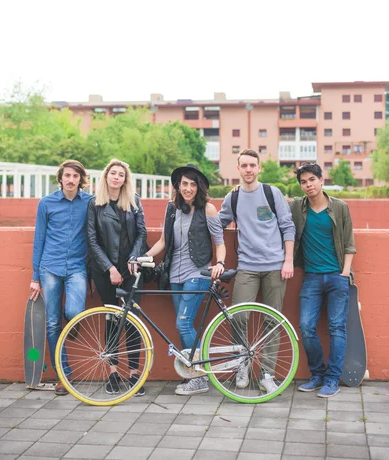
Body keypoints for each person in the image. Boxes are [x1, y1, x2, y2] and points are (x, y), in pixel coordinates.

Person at [219, 149, 296, 393]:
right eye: (244, 165)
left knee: (271, 321)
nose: (249, 169)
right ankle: (242, 365)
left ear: (259, 167)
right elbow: (215, 223)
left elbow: (287, 226)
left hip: (275, 266)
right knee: (238, 317)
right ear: (238, 169)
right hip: (247, 267)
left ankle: (267, 374)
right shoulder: (232, 198)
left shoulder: (272, 193)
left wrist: (288, 261)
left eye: (253, 165)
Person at [147, 163, 226, 396]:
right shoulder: (171, 209)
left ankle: (200, 377)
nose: (188, 188)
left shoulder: (208, 209)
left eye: (193, 184)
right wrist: (143, 256)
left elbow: (219, 242)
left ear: (198, 187)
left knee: (183, 323)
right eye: (184, 184)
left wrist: (220, 264)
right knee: (184, 326)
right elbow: (163, 241)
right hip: (174, 275)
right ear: (178, 186)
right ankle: (192, 373)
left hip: (198, 273)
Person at [290, 162, 356, 398]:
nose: (308, 185)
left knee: (337, 328)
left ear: (321, 180)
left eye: (311, 180)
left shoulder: (340, 207)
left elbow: (349, 242)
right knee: (306, 327)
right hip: (312, 277)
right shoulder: (297, 207)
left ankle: (332, 379)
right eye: (303, 182)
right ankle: (317, 375)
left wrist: (344, 272)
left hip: (337, 276)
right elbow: (271, 208)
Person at [30, 160, 92, 395]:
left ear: (80, 180)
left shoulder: (89, 202)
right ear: (60, 178)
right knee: (53, 322)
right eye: (67, 175)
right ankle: (62, 375)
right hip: (50, 268)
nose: (70, 180)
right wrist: (35, 276)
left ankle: (73, 325)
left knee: (74, 313)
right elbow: (39, 240)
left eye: (75, 176)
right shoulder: (46, 203)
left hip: (77, 266)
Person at [87, 158, 148, 396]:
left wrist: (133, 259)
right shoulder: (95, 204)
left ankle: (134, 373)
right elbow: (91, 240)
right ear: (106, 176)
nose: (117, 177)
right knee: (112, 319)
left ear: (125, 179)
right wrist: (109, 268)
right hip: (105, 272)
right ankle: (112, 372)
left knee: (132, 321)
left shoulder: (134, 202)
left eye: (121, 174)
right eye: (113, 173)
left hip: (132, 270)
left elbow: (142, 233)